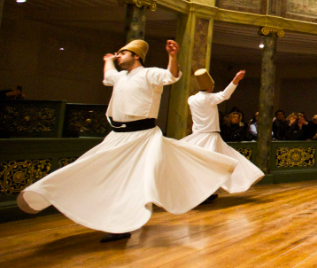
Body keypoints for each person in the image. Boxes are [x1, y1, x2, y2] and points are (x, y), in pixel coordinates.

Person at [17, 40, 236, 242]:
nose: (119, 56)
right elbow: (109, 75)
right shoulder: (120, 77)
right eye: (119, 53)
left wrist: (172, 56)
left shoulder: (149, 74)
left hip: (142, 136)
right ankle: (50, 192)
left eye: (123, 53)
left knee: (130, 180)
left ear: (137, 56)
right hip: (117, 136)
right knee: (90, 167)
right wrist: (108, 61)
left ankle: (122, 224)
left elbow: (171, 76)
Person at [180, 69, 263, 197]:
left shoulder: (191, 99)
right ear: (210, 87)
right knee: (217, 164)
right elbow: (225, 95)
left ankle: (203, 191)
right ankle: (207, 192)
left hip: (197, 136)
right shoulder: (209, 98)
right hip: (210, 136)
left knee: (200, 164)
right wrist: (236, 79)